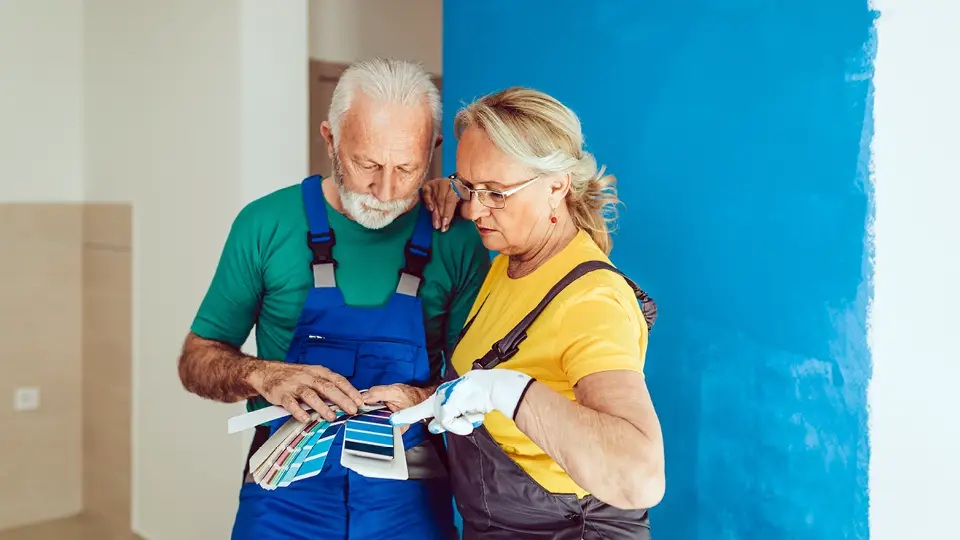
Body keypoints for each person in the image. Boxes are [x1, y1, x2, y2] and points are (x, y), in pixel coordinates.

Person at [177, 58, 490, 540]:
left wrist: (424, 397)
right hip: (282, 500)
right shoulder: (265, 225)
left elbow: (479, 382)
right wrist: (264, 374)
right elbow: (196, 361)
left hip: (411, 501)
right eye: (367, 164)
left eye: (407, 167)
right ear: (330, 139)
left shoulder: (457, 237)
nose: (386, 191)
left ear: (434, 150)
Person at [393, 87, 666, 539]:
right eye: (468, 185)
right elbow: (489, 388)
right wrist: (424, 400)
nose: (476, 208)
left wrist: (510, 390)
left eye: (496, 193)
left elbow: (640, 475)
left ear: (557, 185)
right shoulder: (511, 255)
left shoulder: (591, 301)